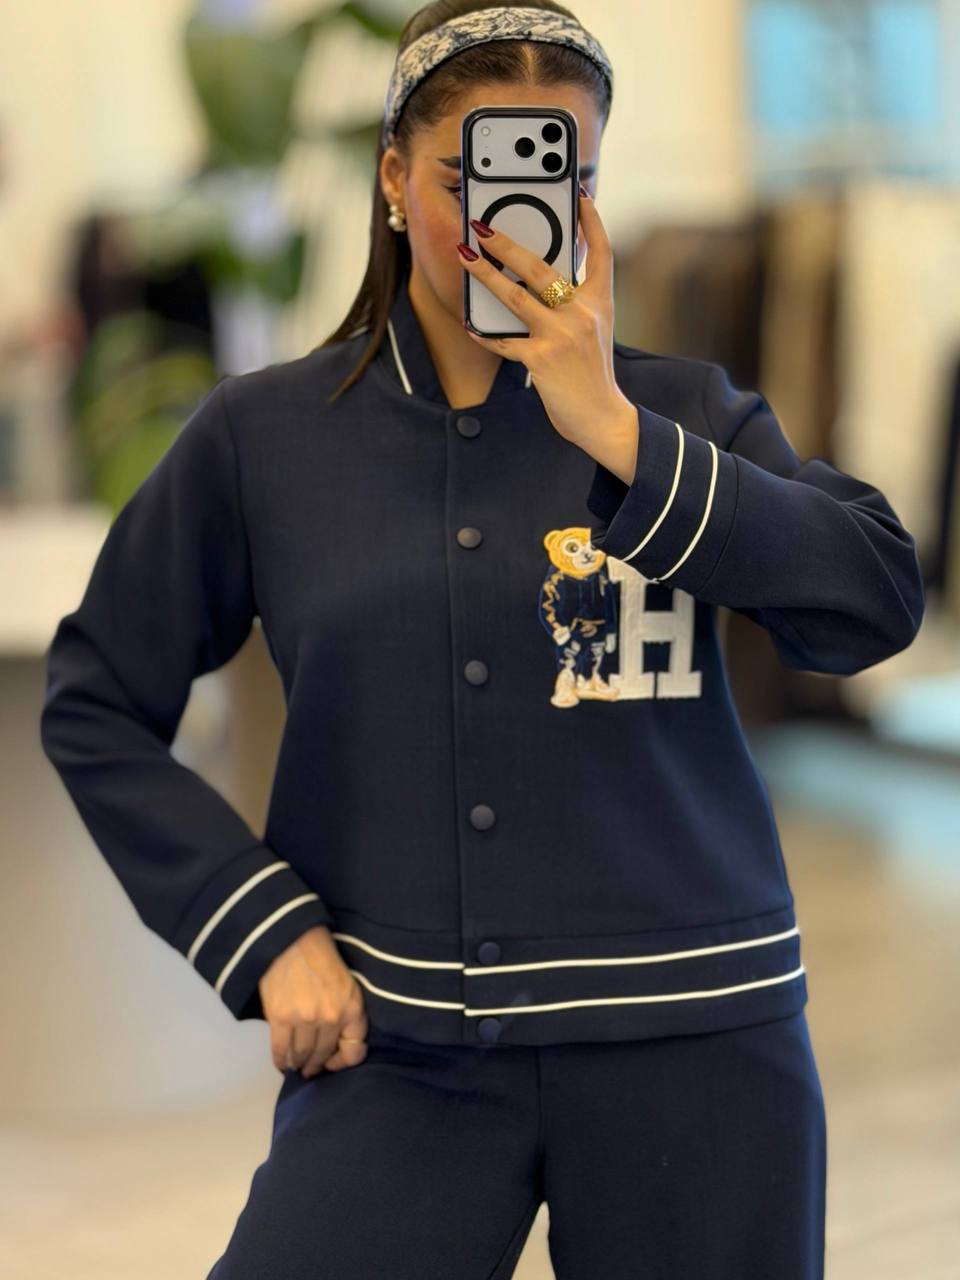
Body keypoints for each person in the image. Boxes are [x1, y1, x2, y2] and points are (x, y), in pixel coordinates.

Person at [40, 3, 925, 1276]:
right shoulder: (265, 439)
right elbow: (95, 698)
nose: (509, 221)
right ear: (393, 179)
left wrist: (614, 432)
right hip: (399, 1049)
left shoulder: (682, 412)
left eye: (564, 177)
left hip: (699, 1039)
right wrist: (262, 928)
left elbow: (875, 601)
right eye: (471, 179)